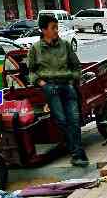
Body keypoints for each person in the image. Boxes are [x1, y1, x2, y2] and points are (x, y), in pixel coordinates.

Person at [28, 13, 89, 167]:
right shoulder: (35, 49)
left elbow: (76, 66)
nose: (56, 31)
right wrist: (42, 83)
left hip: (67, 86)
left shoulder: (65, 45)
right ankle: (77, 153)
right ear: (43, 30)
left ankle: (78, 154)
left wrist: (71, 79)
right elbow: (31, 72)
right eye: (53, 28)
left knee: (74, 120)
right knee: (62, 122)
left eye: (57, 27)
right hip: (50, 88)